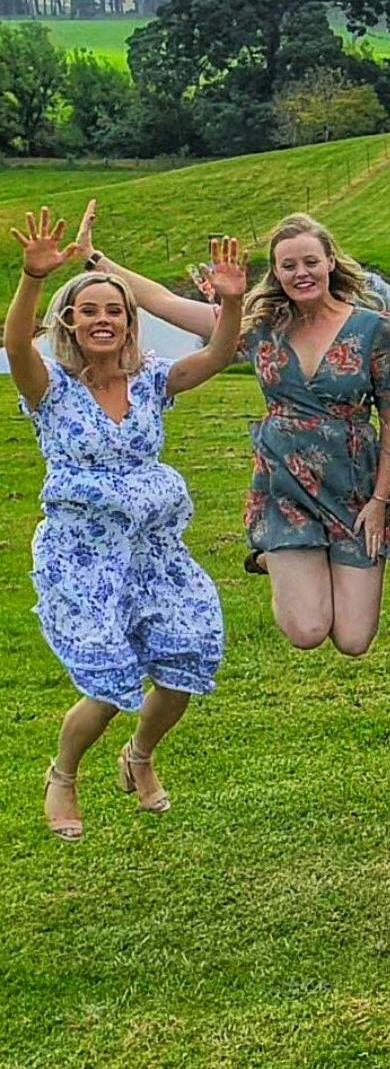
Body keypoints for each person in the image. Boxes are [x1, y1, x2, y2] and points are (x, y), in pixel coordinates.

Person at [76, 202, 390, 652]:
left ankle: (299, 557)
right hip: (286, 488)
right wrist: (96, 259)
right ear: (278, 273)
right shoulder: (258, 325)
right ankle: (276, 553)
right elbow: (164, 303)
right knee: (307, 632)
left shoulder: (371, 329)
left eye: (310, 262)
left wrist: (380, 501)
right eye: (288, 265)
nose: (301, 273)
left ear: (329, 263)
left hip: (356, 488)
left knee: (353, 639)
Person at [7, 209, 244, 840]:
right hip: (82, 555)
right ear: (70, 324)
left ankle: (138, 756)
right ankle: (63, 775)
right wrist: (33, 279)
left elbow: (222, 353)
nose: (103, 319)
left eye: (115, 310)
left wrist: (232, 302)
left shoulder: (153, 382)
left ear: (129, 322)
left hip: (152, 549)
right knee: (110, 678)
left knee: (185, 655)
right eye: (89, 311)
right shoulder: (49, 388)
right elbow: (13, 347)